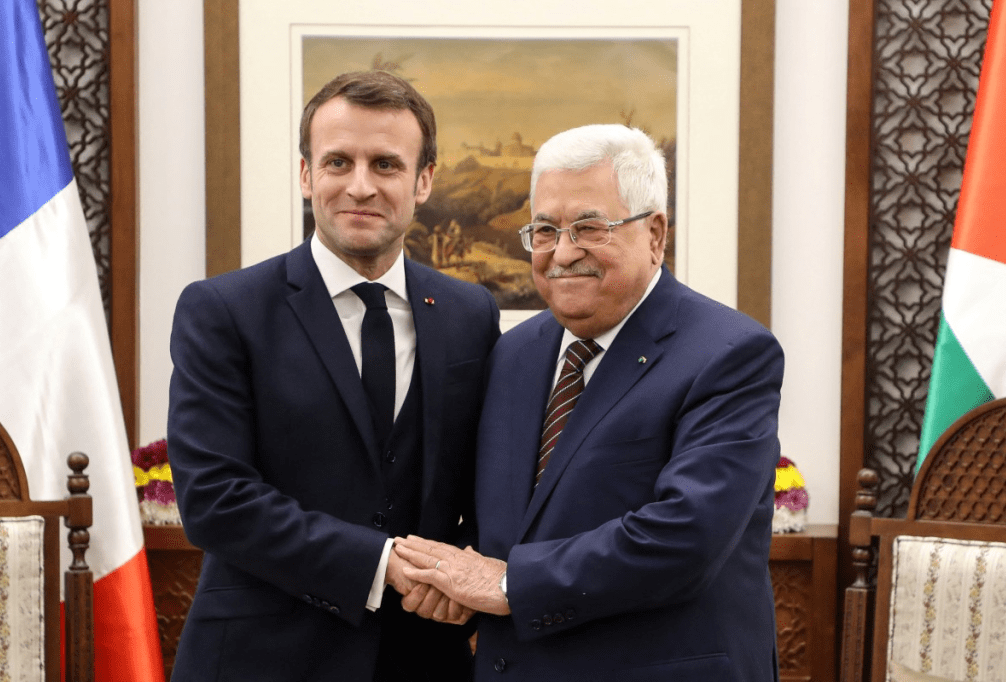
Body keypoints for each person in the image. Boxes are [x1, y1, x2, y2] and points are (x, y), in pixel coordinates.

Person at [395, 124, 784, 681]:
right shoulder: (513, 353)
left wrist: (505, 583)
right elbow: (505, 526)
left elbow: (686, 537)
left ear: (655, 234)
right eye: (545, 230)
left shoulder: (731, 354)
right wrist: (445, 575)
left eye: (589, 228)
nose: (563, 252)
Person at [166, 70, 500, 681]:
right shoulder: (222, 311)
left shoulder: (470, 313)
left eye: (386, 164)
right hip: (261, 660)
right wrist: (380, 563)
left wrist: (467, 572)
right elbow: (214, 499)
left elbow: (488, 477)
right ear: (306, 174)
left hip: (425, 658)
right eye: (338, 162)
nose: (360, 186)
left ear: (424, 180)